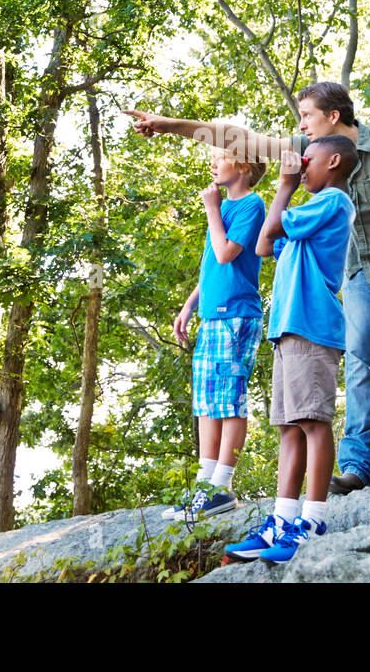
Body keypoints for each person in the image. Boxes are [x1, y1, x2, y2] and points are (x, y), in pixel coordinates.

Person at [125, 82, 370, 504]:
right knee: (360, 366)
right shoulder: (308, 151)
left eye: (306, 115)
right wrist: (168, 125)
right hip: (359, 269)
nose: (299, 124)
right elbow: (239, 138)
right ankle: (359, 469)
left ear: (332, 115)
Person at [223, 134, 356, 563]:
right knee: (289, 425)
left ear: (333, 161)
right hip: (287, 328)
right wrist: (288, 190)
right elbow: (264, 245)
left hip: (313, 326)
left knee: (314, 422)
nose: (301, 166)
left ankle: (313, 520)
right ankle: (283, 519)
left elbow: (275, 226)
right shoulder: (306, 213)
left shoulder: (333, 201)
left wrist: (284, 186)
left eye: (308, 160)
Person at [163, 151, 268, 521]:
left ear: (242, 167)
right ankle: (204, 488)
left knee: (229, 399)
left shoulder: (251, 205)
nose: (212, 165)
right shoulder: (223, 210)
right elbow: (211, 267)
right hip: (212, 316)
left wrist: (212, 207)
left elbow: (226, 254)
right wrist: (189, 306)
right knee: (206, 402)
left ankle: (222, 486)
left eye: (220, 159)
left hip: (237, 317)